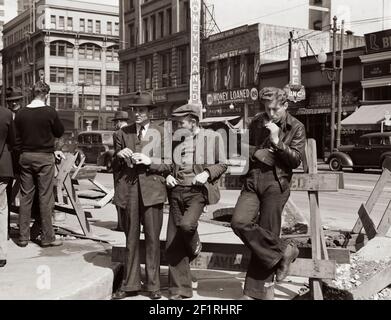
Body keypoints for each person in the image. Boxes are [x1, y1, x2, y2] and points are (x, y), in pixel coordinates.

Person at [231, 87, 306, 300]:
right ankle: (285, 250)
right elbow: (242, 145)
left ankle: (255, 293)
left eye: (275, 109)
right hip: (253, 179)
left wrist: (277, 142)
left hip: (276, 182)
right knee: (240, 222)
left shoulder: (296, 127)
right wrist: (258, 152)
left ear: (285, 106)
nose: (270, 113)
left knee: (266, 233)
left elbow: (296, 160)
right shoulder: (257, 121)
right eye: (267, 108)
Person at [165, 103, 227, 300]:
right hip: (176, 191)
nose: (177, 126)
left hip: (198, 191)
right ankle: (179, 290)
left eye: (180, 122)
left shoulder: (213, 137)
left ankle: (195, 245)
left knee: (187, 225)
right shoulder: (176, 139)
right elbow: (167, 163)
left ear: (192, 122)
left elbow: (223, 163)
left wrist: (207, 173)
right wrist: (167, 175)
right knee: (173, 242)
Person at [112, 92, 169, 300]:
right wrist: (118, 156)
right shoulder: (122, 134)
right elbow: (114, 167)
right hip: (130, 191)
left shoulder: (161, 133)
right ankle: (130, 284)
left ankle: (153, 286)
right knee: (131, 239)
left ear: (150, 113)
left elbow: (169, 165)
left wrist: (149, 161)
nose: (137, 114)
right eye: (135, 110)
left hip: (153, 192)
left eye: (142, 110)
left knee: (153, 239)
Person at [14, 81, 65, 248]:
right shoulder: (49, 112)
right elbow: (59, 132)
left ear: (32, 93)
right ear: (46, 95)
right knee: (45, 197)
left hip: (26, 157)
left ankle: (23, 238)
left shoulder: (21, 113)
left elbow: (16, 139)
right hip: (44, 158)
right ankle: (47, 237)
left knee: (25, 197)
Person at [0, 105, 15, 268]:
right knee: (2, 210)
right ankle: (1, 253)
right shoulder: (6, 114)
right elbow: (13, 141)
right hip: (2, 166)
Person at [111, 111, 130, 232]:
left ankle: (121, 224)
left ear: (118, 122)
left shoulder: (117, 133)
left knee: (119, 197)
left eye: (115, 122)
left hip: (119, 169)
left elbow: (118, 153)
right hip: (130, 169)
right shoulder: (133, 132)